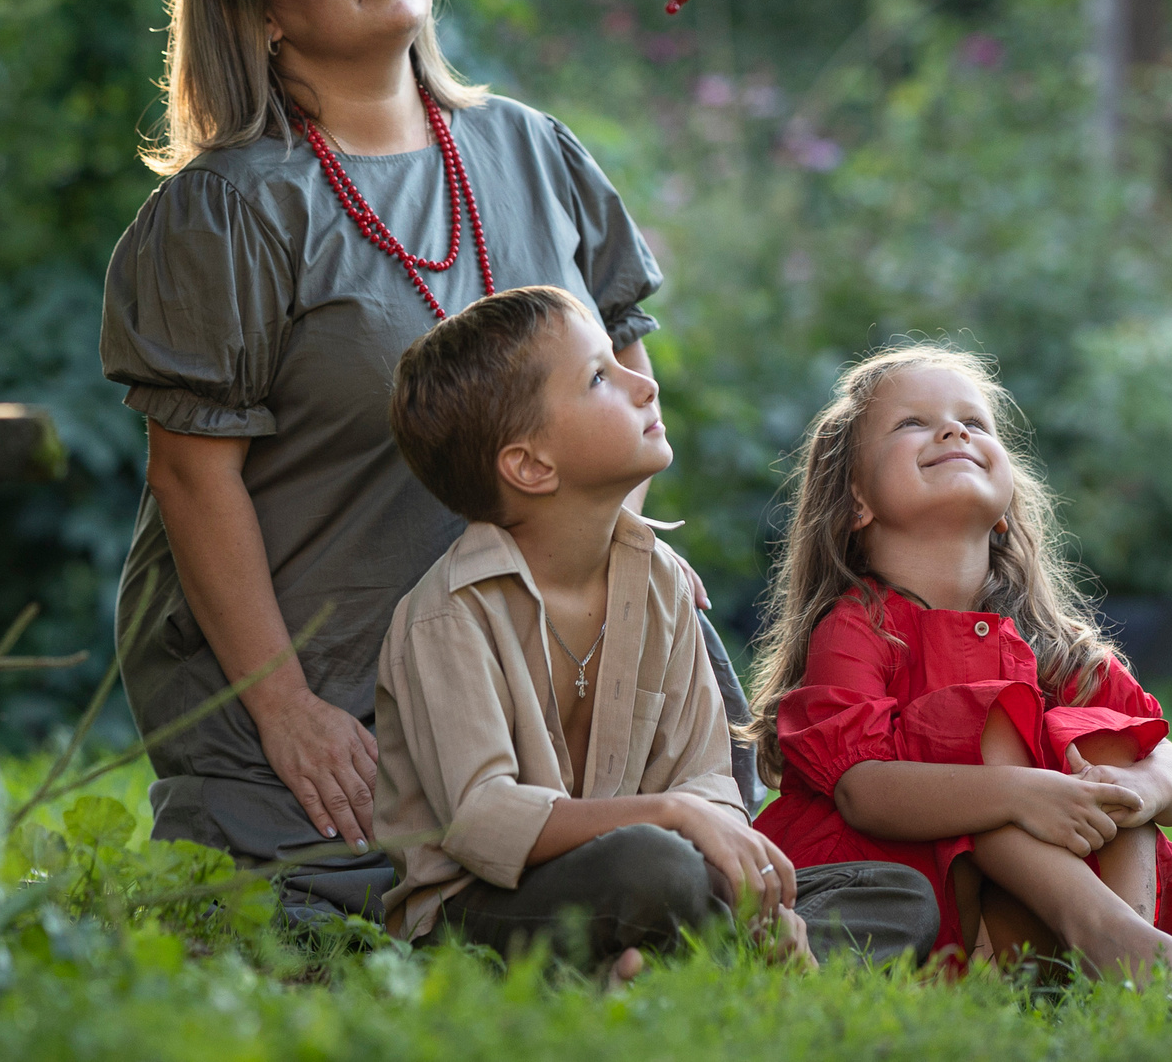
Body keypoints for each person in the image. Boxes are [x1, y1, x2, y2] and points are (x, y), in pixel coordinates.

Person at [99, 0, 763, 920]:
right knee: (325, 928)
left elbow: (624, 369)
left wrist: (617, 578)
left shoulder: (532, 148)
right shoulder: (230, 208)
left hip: (546, 679)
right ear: (259, 11)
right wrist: (286, 709)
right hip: (330, 687)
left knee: (712, 875)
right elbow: (190, 479)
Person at [373, 286, 942, 976]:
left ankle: (659, 970)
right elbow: (482, 817)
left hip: (658, 881)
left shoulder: (662, 583)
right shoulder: (447, 613)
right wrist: (670, 815)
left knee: (895, 893)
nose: (645, 382)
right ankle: (707, 970)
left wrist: (759, 898)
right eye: (599, 377)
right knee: (655, 864)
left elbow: (706, 779)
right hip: (487, 909)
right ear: (531, 465)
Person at [744, 346, 1172, 981]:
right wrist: (1020, 792)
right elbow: (863, 791)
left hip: (1032, 908)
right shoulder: (857, 628)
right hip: (914, 890)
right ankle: (1110, 940)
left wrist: (1138, 792)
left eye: (974, 423)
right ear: (856, 501)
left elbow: (1170, 763)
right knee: (980, 731)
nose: (954, 431)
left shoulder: (1045, 639)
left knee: (1115, 747)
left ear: (1006, 504)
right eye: (911, 424)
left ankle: (1126, 943)